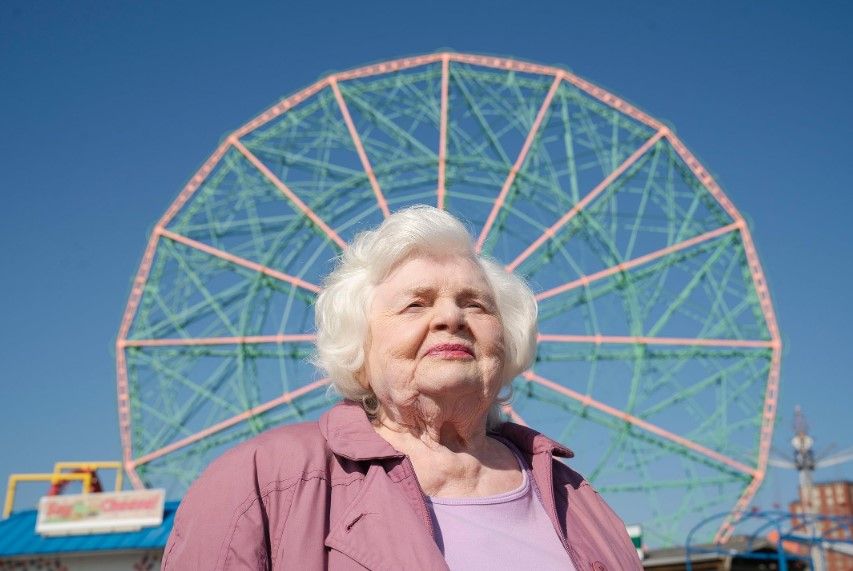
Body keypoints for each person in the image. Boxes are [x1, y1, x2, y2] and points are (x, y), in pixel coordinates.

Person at [162, 206, 642, 570]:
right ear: (360, 344)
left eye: (475, 304)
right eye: (417, 304)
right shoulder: (262, 485)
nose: (450, 317)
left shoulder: (580, 502)